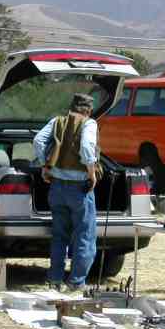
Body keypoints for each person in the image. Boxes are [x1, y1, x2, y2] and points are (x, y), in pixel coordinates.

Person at [33, 93, 98, 292]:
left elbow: (37, 141)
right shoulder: (89, 123)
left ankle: (55, 280)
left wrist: (45, 165)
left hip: (57, 187)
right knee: (84, 236)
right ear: (89, 110)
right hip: (79, 189)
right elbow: (86, 147)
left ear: (71, 107)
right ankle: (76, 282)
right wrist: (92, 173)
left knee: (59, 235)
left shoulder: (57, 121)